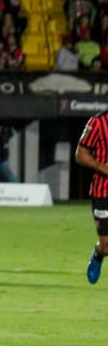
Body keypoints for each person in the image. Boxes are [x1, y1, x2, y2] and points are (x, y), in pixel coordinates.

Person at [75, 110, 108, 284]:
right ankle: (98, 253)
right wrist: (101, 167)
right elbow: (80, 155)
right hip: (103, 192)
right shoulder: (97, 122)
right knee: (106, 245)